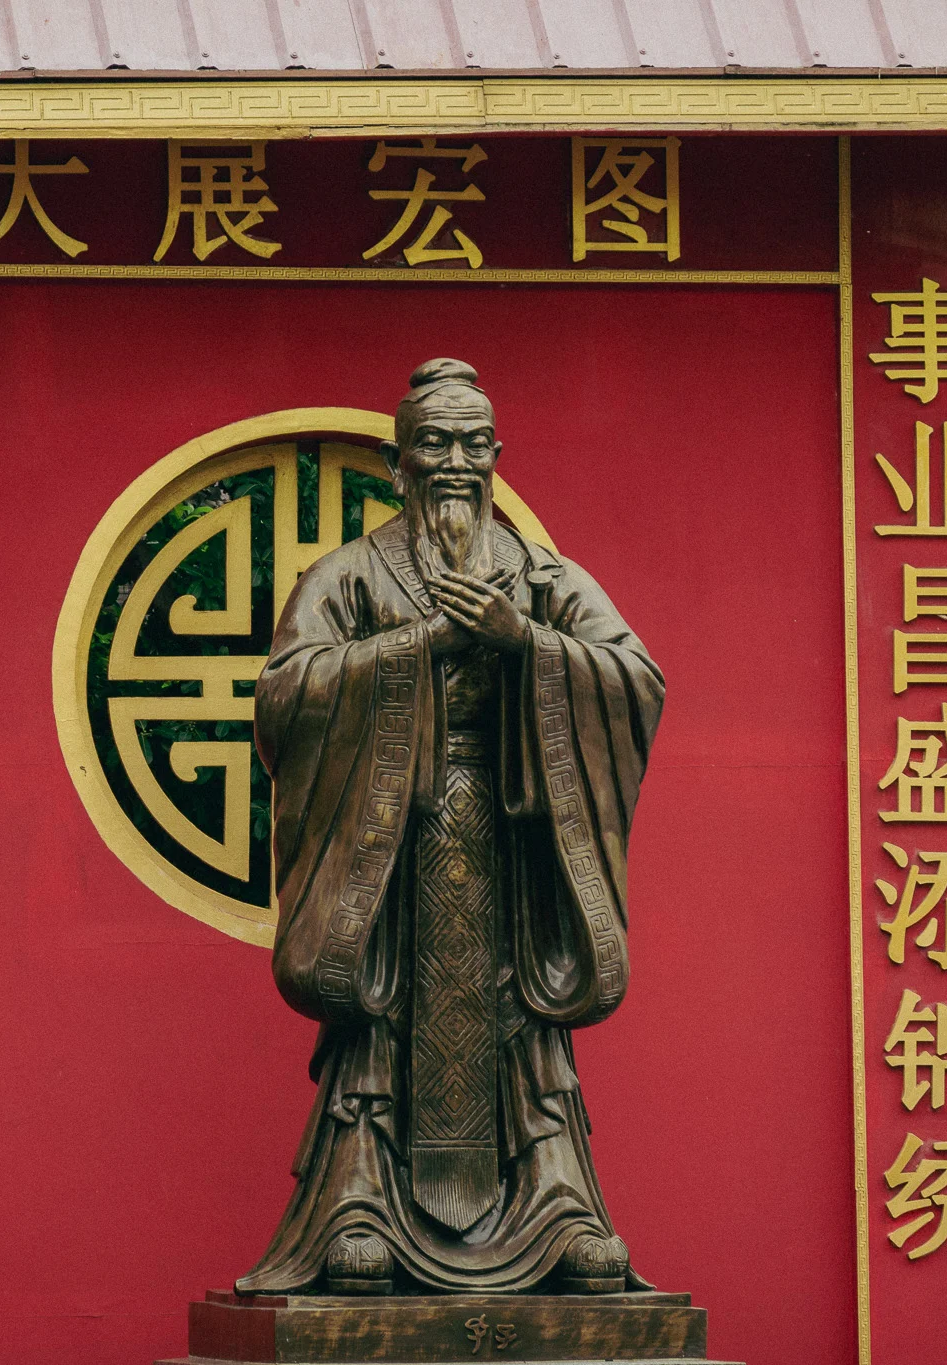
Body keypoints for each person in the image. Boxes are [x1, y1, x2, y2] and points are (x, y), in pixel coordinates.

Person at [237, 358, 665, 1295]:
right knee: (381, 1025)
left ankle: (557, 1205)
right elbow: (286, 697)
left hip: (511, 845)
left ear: (498, 455)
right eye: (433, 443)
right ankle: (359, 1206)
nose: (456, 463)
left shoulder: (541, 577)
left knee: (521, 1030)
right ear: (397, 464)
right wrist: (420, 645)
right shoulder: (348, 576)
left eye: (474, 444)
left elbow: (636, 677)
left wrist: (527, 642)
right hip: (390, 841)